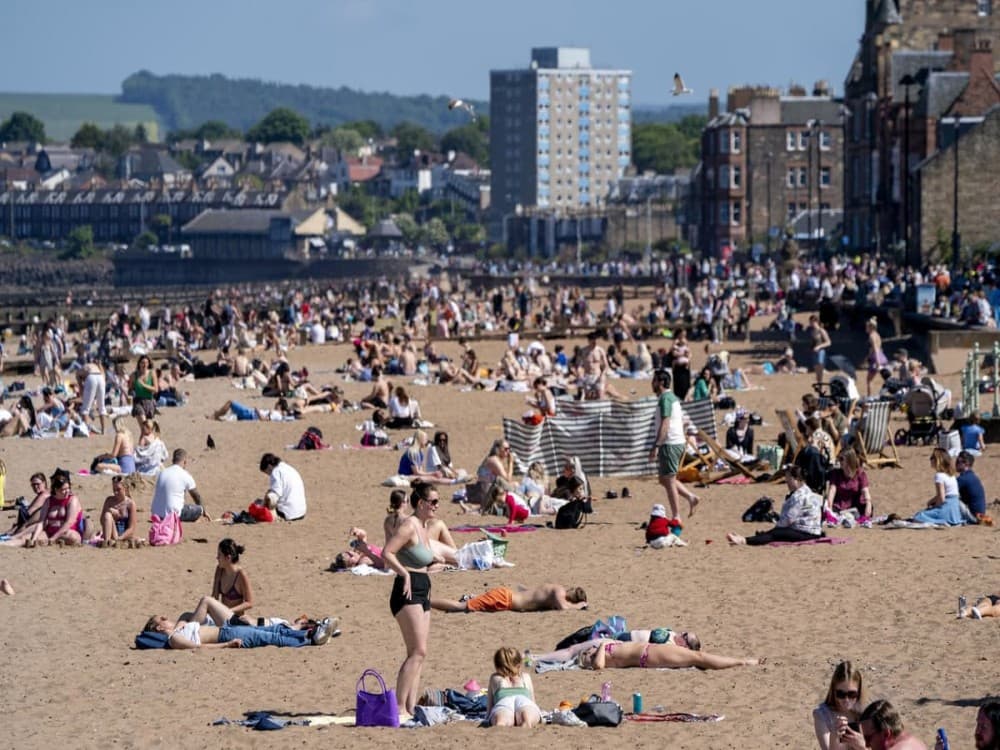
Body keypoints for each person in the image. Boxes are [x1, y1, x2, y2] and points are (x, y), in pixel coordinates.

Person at [381, 482, 439, 715]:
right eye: (433, 501)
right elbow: (387, 553)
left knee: (418, 654)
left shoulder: (424, 526)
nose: (436, 506)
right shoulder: (409, 525)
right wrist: (404, 573)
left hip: (423, 587)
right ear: (422, 503)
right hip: (407, 589)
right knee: (418, 651)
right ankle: (398, 707)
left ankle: (410, 707)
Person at [142, 597, 334, 650]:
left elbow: (185, 616)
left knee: (273, 629)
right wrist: (226, 645)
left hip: (226, 629)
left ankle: (311, 632)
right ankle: (310, 640)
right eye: (163, 619)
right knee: (269, 637)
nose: (167, 617)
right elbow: (199, 647)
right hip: (225, 636)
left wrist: (179, 624)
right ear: (159, 627)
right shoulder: (174, 639)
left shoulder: (180, 627)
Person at [727, 465, 823, 545]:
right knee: (776, 532)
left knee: (776, 533)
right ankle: (752, 538)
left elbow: (788, 519)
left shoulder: (799, 496)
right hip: (813, 531)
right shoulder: (808, 491)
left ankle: (744, 540)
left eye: (788, 479)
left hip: (806, 533)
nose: (787, 482)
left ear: (796, 480)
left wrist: (776, 528)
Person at [540, 638, 763, 671]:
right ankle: (742, 662)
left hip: (650, 650)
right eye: (586, 652)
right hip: (648, 656)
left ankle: (740, 661)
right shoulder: (601, 656)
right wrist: (600, 647)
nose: (589, 649)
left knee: (697, 657)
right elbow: (598, 667)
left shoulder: (605, 649)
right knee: (698, 658)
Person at [650, 369, 698, 520]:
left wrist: (657, 445)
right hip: (676, 442)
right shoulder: (672, 397)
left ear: (661, 382)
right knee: (663, 479)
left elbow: (665, 422)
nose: (652, 383)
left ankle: (676, 516)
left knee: (669, 480)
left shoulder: (665, 399)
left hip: (670, 443)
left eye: (654, 380)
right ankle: (691, 497)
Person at [3, 470, 86, 547]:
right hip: (49, 532)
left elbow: (69, 522)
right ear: (56, 490)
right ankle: (3, 544)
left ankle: (53, 541)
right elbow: (41, 522)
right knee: (24, 539)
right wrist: (34, 538)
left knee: (72, 537)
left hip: (66, 533)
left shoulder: (72, 500)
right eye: (63, 489)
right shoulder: (49, 501)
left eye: (68, 488)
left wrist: (53, 538)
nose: (67, 491)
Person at [431, 583, 588, 613]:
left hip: (505, 600)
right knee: (461, 607)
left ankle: (472, 598)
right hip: (504, 598)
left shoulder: (556, 590)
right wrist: (579, 606)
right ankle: (427, 601)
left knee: (467, 605)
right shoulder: (559, 591)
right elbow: (563, 607)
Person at [813, 660, 865, 750]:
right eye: (841, 694)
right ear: (833, 691)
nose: (846, 700)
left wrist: (862, 747)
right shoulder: (823, 715)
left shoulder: (867, 712)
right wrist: (834, 736)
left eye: (852, 694)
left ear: (859, 691)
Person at [837, 699, 928, 750]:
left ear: (886, 734)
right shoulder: (908, 738)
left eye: (868, 738)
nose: (867, 744)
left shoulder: (901, 748)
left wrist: (862, 749)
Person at [486, 647, 541, 728]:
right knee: (527, 721)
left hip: (503, 703)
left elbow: (490, 707)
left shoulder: (495, 678)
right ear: (519, 665)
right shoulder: (525, 677)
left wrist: (488, 717)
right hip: (524, 701)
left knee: (500, 723)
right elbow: (532, 701)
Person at [150, 448, 208, 522]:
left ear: (173, 460)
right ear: (185, 462)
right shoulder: (185, 475)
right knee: (199, 509)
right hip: (172, 515)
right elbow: (196, 496)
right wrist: (204, 511)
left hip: (156, 513)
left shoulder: (162, 473)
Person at [911, 448, 966, 526]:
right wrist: (931, 501)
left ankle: (940, 522)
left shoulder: (939, 476)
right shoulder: (951, 475)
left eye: (932, 457)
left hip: (946, 508)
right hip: (954, 510)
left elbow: (941, 498)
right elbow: (947, 494)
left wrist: (934, 507)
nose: (930, 460)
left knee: (918, 517)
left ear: (937, 460)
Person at [211, 538, 255, 620]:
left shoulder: (241, 575)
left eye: (219, 555)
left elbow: (249, 603)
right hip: (221, 617)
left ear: (228, 558)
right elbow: (214, 597)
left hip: (235, 618)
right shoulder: (219, 570)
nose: (217, 558)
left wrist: (229, 611)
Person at [825, 449, 873, 522]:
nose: (839, 461)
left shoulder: (860, 474)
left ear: (849, 460)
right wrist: (829, 509)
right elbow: (832, 490)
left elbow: (865, 491)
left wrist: (868, 503)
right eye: (838, 458)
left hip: (855, 506)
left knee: (869, 507)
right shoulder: (836, 473)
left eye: (841, 459)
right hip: (838, 506)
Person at [258, 453, 306, 521]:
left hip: (288, 513)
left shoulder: (275, 472)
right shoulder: (287, 467)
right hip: (301, 512)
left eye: (267, 472)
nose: (269, 475)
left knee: (259, 503)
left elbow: (273, 497)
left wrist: (264, 503)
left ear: (269, 466)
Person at [99, 476, 138, 547]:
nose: (116, 492)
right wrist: (110, 511)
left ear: (125, 488)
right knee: (107, 515)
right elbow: (102, 520)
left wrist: (120, 538)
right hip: (112, 532)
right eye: (114, 490)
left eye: (118, 489)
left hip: (124, 535)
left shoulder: (130, 504)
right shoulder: (109, 500)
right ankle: (107, 542)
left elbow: (132, 528)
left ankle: (110, 542)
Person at [955, 451, 988, 521]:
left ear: (966, 464)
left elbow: (947, 494)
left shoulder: (963, 479)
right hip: (979, 515)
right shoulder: (972, 476)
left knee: (950, 499)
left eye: (958, 462)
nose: (956, 464)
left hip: (973, 517)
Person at [129, 354, 159, 421]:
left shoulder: (152, 373)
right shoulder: (134, 375)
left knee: (147, 426)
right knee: (143, 423)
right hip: (138, 402)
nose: (145, 365)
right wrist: (130, 395)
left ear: (148, 364)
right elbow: (130, 389)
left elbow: (156, 389)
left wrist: (144, 385)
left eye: (146, 363)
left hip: (149, 401)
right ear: (139, 364)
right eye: (142, 363)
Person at [864, 318, 888, 397]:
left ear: (871, 327)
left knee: (869, 380)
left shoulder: (872, 336)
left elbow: (875, 349)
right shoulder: (877, 334)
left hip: (876, 359)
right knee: (885, 378)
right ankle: (882, 393)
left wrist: (877, 361)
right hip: (881, 357)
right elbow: (878, 348)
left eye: (867, 326)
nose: (866, 328)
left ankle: (869, 397)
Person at [808, 314, 832, 384]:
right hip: (814, 352)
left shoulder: (821, 331)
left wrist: (819, 347)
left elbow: (828, 342)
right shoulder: (811, 332)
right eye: (810, 322)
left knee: (820, 369)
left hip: (820, 352)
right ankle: (819, 386)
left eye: (812, 321)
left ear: (816, 321)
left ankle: (821, 384)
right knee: (817, 374)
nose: (811, 323)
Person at [670, 330, 692, 400]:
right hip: (678, 367)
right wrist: (682, 354)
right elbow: (673, 353)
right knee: (678, 384)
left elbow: (689, 353)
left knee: (685, 384)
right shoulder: (676, 343)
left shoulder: (686, 343)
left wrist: (688, 358)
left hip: (685, 367)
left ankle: (685, 397)